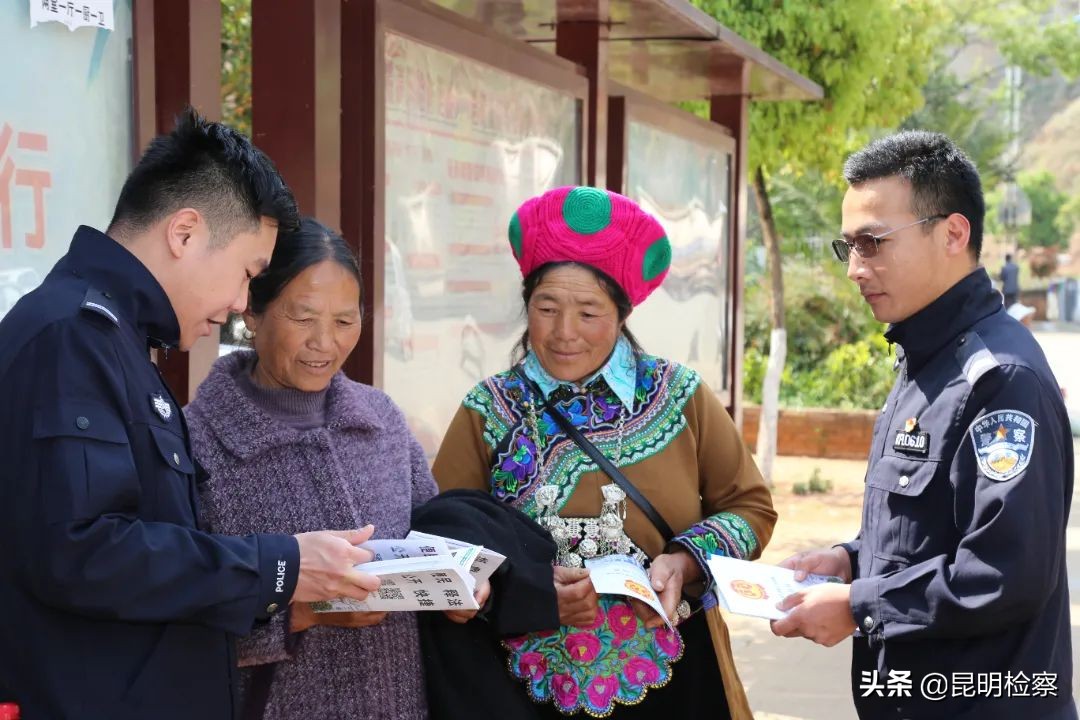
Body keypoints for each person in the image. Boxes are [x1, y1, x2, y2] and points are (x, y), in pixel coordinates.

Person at [0, 109, 381, 719]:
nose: (237, 305)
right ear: (184, 233)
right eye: (246, 274)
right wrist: (279, 566)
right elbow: (81, 551)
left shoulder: (113, 338)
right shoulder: (71, 337)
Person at [431, 186, 777, 719]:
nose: (564, 332)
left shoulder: (678, 395)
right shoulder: (488, 410)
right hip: (521, 687)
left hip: (675, 675)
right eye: (546, 308)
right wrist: (520, 591)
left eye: (588, 312)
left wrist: (684, 562)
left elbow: (751, 509)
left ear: (621, 315)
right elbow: (443, 545)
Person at [774, 131, 1075, 720]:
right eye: (849, 247)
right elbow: (933, 529)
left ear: (953, 234)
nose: (857, 269)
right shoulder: (926, 358)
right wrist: (850, 560)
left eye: (874, 243)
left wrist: (859, 605)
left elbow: (1002, 574)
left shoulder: (998, 378)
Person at [185, 218, 438, 720]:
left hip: (399, 702)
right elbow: (173, 607)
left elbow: (432, 528)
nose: (326, 343)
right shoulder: (197, 441)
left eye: (345, 322)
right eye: (304, 319)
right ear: (252, 313)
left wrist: (462, 585)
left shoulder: (381, 420)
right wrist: (292, 616)